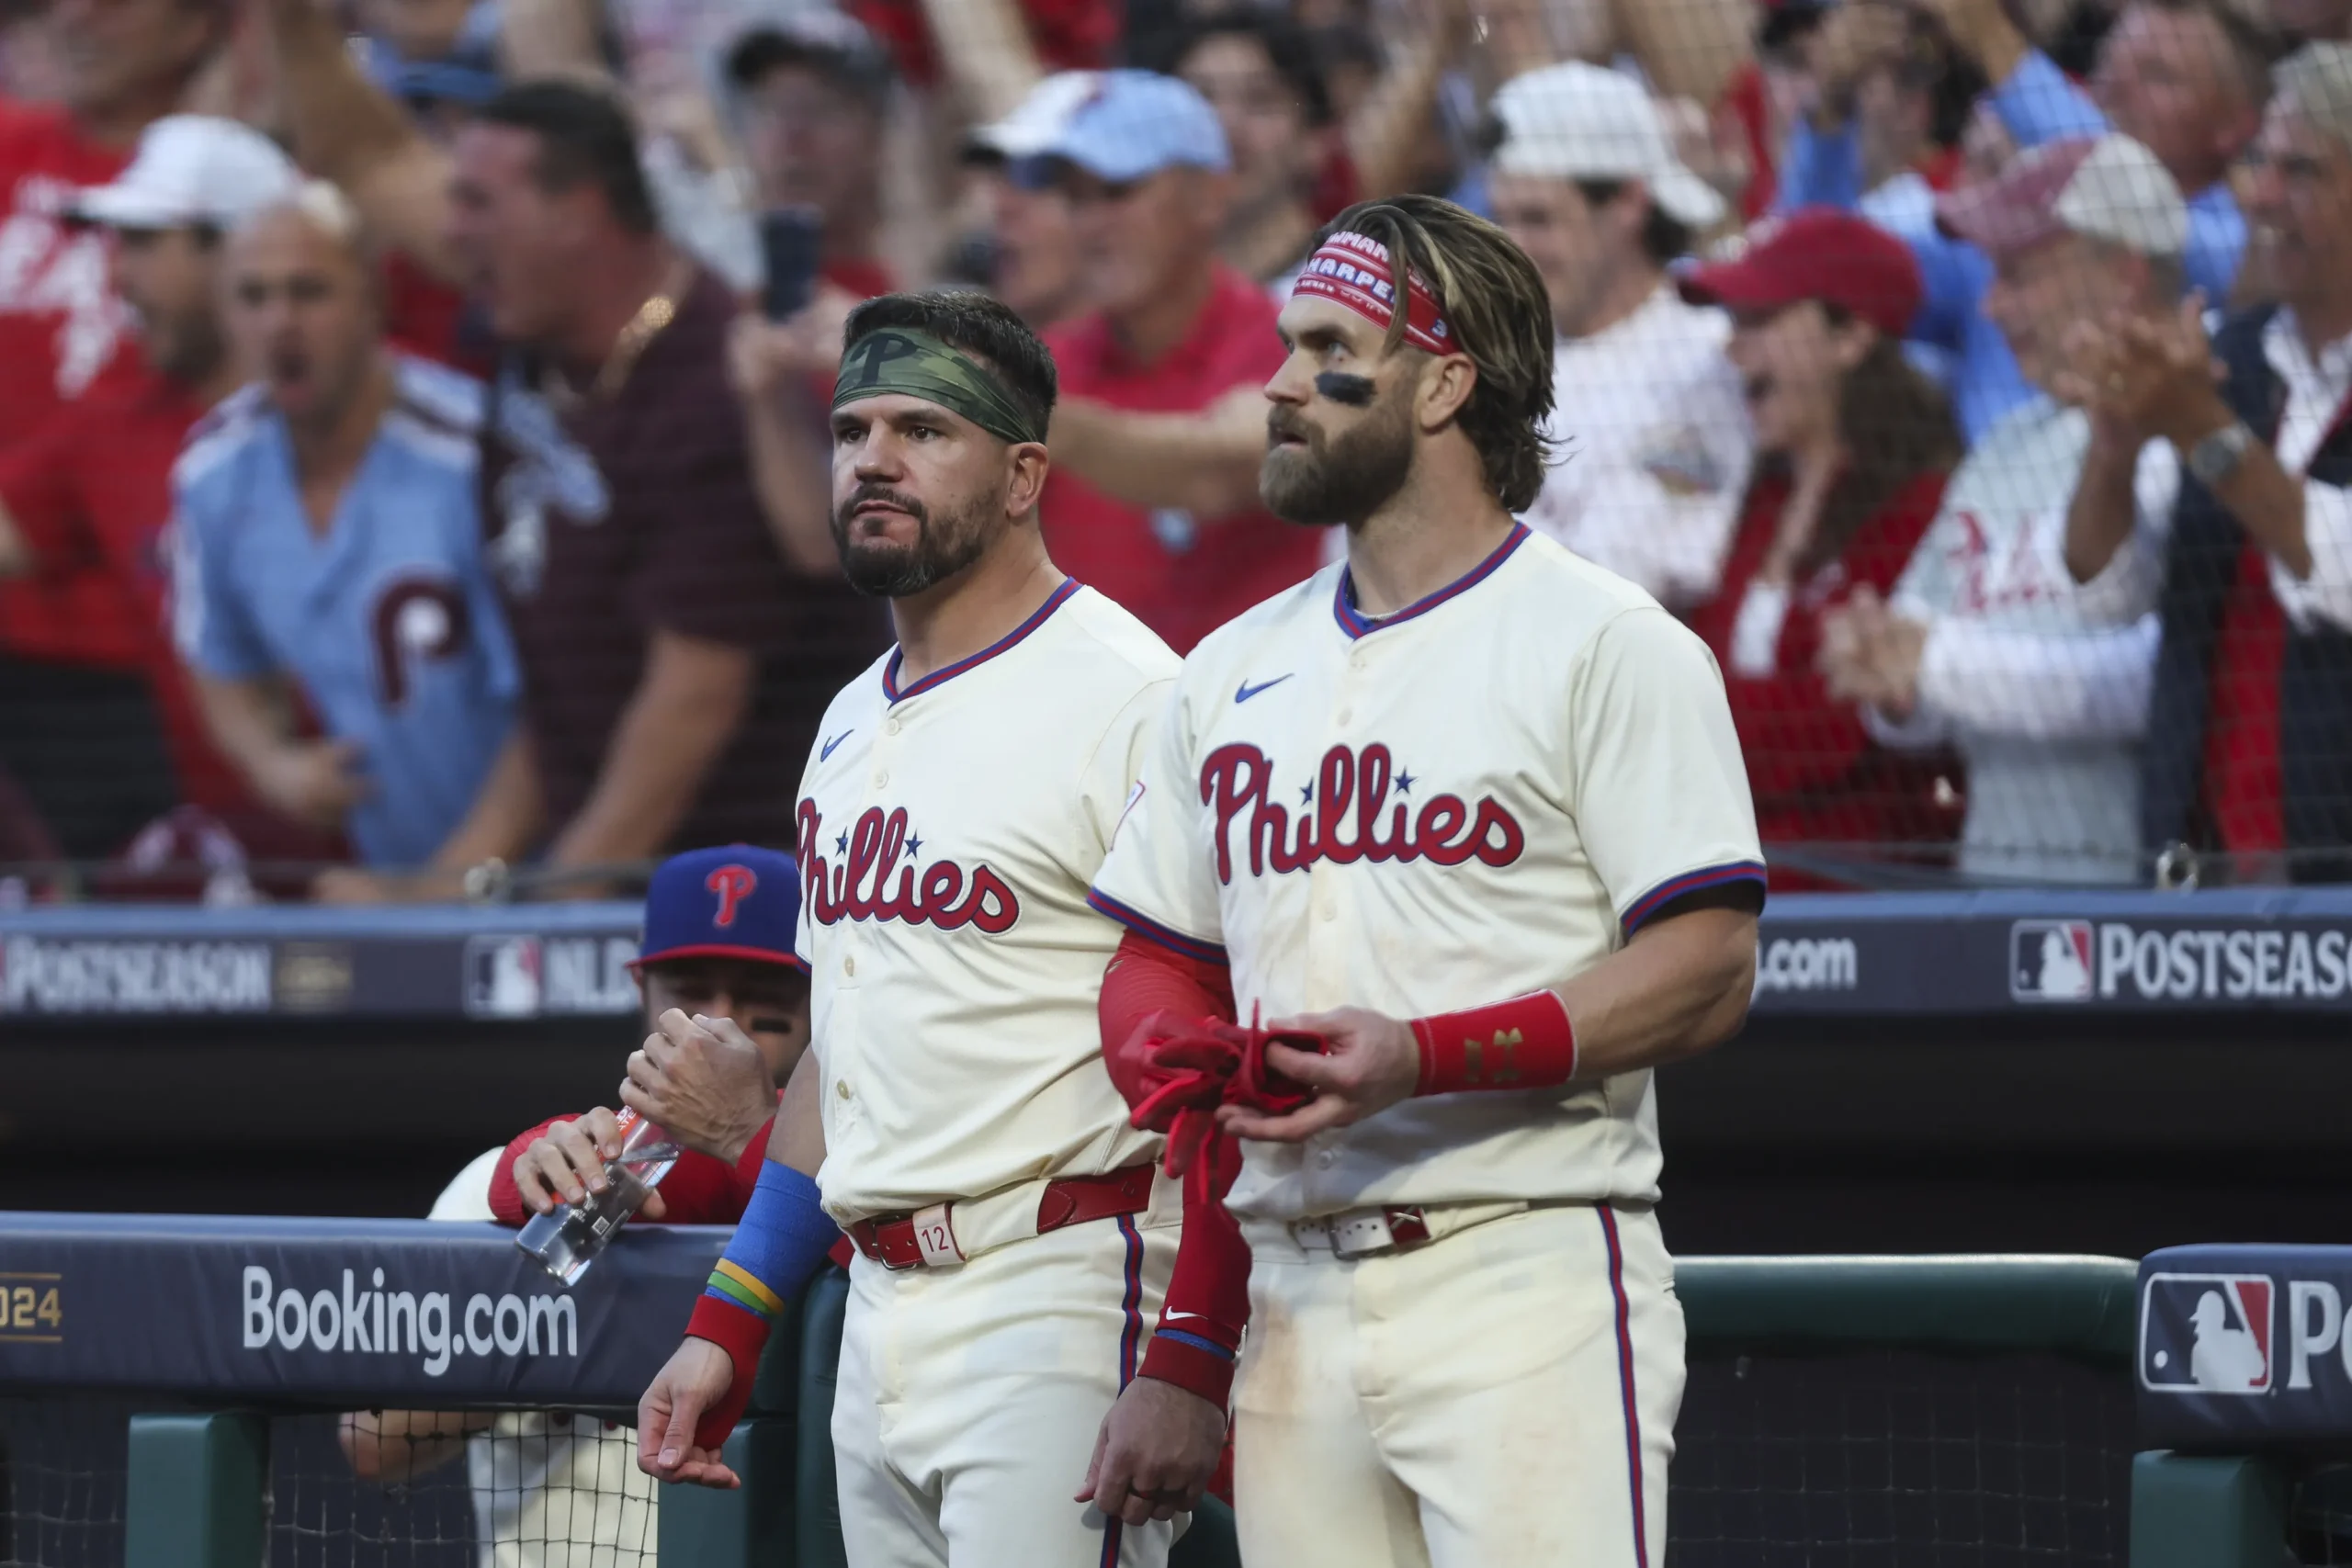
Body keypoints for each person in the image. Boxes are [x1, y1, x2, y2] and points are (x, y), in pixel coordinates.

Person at [1084, 192, 1764, 1567]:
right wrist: (1163, 1047)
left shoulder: (1606, 641)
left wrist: (1429, 1053)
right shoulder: (1224, 668)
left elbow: (1707, 965)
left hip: (1522, 1262)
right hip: (1292, 1293)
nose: (1275, 381)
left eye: (1328, 344)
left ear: (1446, 381)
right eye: (1282, 341)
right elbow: (1163, 948)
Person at [635, 291, 1248, 1566]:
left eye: (925, 428)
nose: (873, 457)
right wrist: (731, 1318)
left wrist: (1188, 1349)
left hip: (1063, 1279)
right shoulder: (849, 720)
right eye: (854, 427)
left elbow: (1228, 1053)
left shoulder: (1138, 697)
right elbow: (840, 1065)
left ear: (1026, 472)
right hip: (878, 1310)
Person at [320, 83, 878, 900]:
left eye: (479, 202)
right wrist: (449, 891)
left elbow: (689, 705)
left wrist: (546, 915)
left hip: (758, 907)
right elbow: (565, 703)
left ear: (579, 211)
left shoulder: (713, 389)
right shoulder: (532, 359)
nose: (450, 231)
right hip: (623, 883)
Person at [342, 843, 815, 1566]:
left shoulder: (875, 1196)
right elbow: (373, 1438)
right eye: (690, 992)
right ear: (642, 992)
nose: (719, 1031)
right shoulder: (533, 1180)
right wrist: (553, 1312)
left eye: (768, 1012)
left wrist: (748, 1146)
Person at [1819, 134, 2189, 885]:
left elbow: (2162, 680)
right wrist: (1887, 679)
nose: (1991, 303)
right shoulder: (2003, 450)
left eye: (2018, 274)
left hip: (2154, 904)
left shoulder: (2196, 417)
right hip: (1992, 897)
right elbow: (1914, 698)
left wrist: (1936, 666)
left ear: (2122, 273)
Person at [2061, 43, 2352, 884]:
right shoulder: (2226, 359)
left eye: (2301, 171)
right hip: (2198, 881)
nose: (2260, 195)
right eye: (2260, 162)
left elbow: (2336, 564)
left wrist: (2199, 427)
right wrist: (2114, 448)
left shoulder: (2204, 394)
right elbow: (2101, 582)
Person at [172, 182, 520, 880]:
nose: (281, 323)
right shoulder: (212, 471)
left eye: (309, 292)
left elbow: (557, 709)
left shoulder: (478, 452)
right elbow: (214, 652)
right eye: (254, 297)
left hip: (547, 876)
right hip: (393, 868)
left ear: (372, 300)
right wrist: (271, 762)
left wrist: (445, 891)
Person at [0, 115, 294, 862]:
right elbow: (13, 533)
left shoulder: (366, 409)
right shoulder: (116, 425)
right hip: (237, 848)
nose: (116, 275)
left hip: (409, 848)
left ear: (237, 248)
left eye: (142, 243)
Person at [1677, 209, 1966, 886]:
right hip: (1721, 900)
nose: (1732, 349)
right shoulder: (1748, 500)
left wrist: (1678, 737)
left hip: (1864, 902)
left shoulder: (1923, 508)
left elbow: (1837, 731)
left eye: (1760, 322)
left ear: (1851, 336)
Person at [1024, 70, 1326, 653]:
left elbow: (1217, 474)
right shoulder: (1046, 361)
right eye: (1074, 197)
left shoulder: (1288, 343)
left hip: (1253, 726)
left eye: (1117, 190)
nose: (1091, 224)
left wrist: (1021, 414)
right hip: (1092, 731)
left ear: (1209, 196)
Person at [1487, 62, 1755, 609]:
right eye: (1501, 219)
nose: (1511, 250)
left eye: (1538, 219)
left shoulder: (1706, 356)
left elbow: (1608, 589)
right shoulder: (1488, 348)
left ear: (1629, 203)